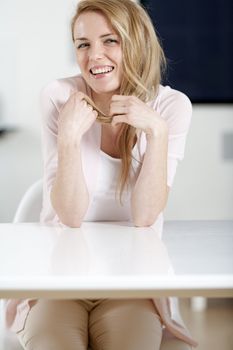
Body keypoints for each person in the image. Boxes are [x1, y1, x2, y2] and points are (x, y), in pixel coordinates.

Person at [6, 0, 198, 349]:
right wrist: (67, 138)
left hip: (132, 280)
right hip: (58, 280)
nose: (95, 56)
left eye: (110, 40)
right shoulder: (59, 97)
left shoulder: (170, 108)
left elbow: (144, 217)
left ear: (135, 41)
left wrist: (156, 132)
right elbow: (70, 216)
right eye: (83, 44)